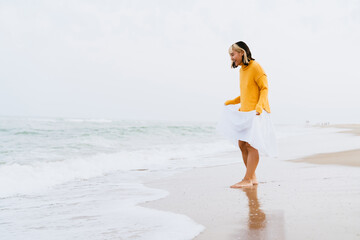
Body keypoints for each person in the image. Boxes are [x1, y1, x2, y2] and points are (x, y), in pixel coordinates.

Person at [217, 41, 277, 188]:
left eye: (233, 54)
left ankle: (247, 178)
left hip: (255, 112)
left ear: (241, 52)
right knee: (242, 144)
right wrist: (233, 101)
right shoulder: (242, 70)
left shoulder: (255, 67)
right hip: (245, 111)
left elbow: (264, 89)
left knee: (251, 144)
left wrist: (259, 106)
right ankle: (253, 177)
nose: (231, 58)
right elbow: (246, 92)